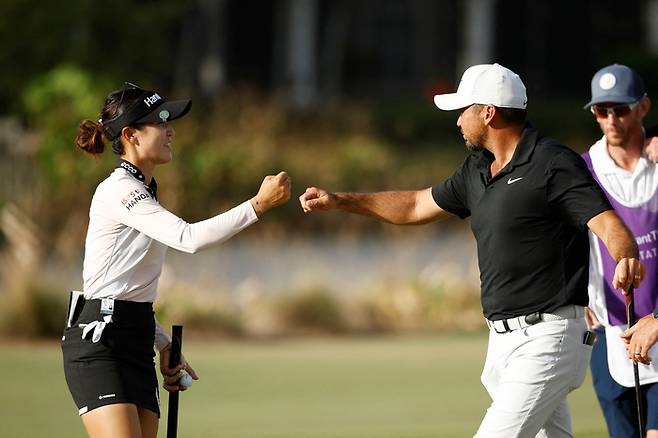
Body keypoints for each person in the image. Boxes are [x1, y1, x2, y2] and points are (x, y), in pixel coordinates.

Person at [298, 63, 644, 437]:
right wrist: (341, 200)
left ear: (488, 112)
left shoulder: (552, 164)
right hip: (502, 345)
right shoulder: (476, 170)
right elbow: (415, 205)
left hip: (550, 339)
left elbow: (609, 225)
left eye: (464, 110)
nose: (458, 120)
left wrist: (625, 260)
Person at [62, 83, 291, 438]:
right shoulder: (120, 190)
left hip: (135, 337)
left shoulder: (145, 191)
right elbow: (189, 239)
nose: (170, 129)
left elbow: (131, 289)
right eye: (159, 121)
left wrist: (163, 343)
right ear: (131, 135)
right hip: (99, 342)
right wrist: (258, 205)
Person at [582, 64, 658, 437]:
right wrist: (574, 293)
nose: (611, 119)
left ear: (643, 108)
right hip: (609, 331)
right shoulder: (583, 171)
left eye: (621, 109)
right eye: (601, 110)